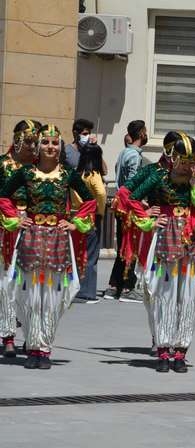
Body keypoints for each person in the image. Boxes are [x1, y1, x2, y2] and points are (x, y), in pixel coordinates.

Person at [114, 131, 195, 373]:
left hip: (192, 242)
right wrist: (146, 216)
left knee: (189, 296)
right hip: (163, 239)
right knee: (162, 293)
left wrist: (194, 188)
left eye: (192, 162)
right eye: (184, 161)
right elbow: (126, 196)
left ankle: (181, 350)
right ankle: (162, 347)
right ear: (171, 156)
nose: (188, 167)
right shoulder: (156, 175)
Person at [0, 124, 96, 369]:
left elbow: (89, 200)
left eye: (55, 143)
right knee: (30, 296)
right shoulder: (25, 173)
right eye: (45, 142)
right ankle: (32, 347)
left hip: (57, 240)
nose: (50, 147)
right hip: (31, 239)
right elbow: (3, 196)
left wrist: (74, 223)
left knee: (52, 298)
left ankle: (45, 348)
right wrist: (15, 219)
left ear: (60, 146)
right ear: (38, 146)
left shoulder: (67, 174)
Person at [0, 119, 40, 358]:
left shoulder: (41, 169)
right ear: (17, 140)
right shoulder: (3, 165)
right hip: (7, 229)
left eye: (35, 143)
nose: (32, 147)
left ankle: (31, 334)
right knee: (7, 285)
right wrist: (12, 216)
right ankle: (7, 335)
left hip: (35, 231)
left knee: (31, 286)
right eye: (28, 142)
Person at [104, 120, 147, 302]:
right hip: (129, 206)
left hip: (120, 204)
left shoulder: (123, 153)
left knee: (123, 245)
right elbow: (132, 182)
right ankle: (128, 287)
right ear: (142, 133)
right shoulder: (135, 156)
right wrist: (139, 201)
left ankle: (115, 285)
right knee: (131, 246)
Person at [71, 144, 107, 304]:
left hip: (75, 215)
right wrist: (100, 210)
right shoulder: (93, 174)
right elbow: (101, 192)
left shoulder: (76, 173)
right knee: (91, 255)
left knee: (77, 253)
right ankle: (87, 292)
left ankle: (76, 288)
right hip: (90, 216)